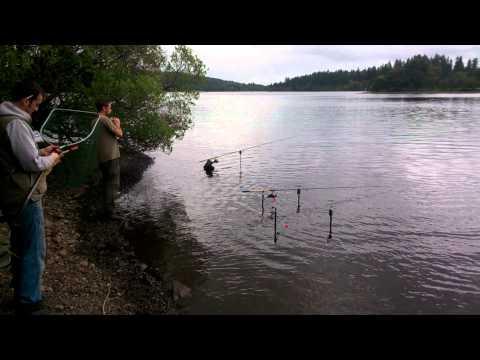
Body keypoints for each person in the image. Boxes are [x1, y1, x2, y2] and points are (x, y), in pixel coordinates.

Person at [0, 80, 63, 315]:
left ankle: (21, 290)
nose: (37, 109)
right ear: (26, 100)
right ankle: (29, 301)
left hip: (11, 194)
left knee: (19, 244)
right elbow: (32, 164)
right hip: (24, 196)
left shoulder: (5, 119)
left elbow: (18, 156)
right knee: (33, 250)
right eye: (36, 103)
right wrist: (52, 159)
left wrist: (41, 151)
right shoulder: (16, 123)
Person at [95, 99, 123, 219]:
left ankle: (104, 208)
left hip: (102, 157)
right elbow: (119, 133)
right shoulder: (104, 119)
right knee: (112, 184)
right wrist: (117, 124)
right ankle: (110, 212)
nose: (111, 108)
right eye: (109, 106)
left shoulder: (95, 120)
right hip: (111, 157)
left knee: (106, 183)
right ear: (104, 108)